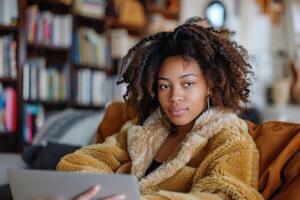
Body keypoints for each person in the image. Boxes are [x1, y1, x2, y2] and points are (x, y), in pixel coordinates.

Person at [57, 17, 263, 200]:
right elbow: (80, 161)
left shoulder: (230, 139)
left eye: (187, 84)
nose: (174, 97)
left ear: (209, 86)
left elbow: (228, 194)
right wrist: (95, 191)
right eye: (165, 86)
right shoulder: (143, 130)